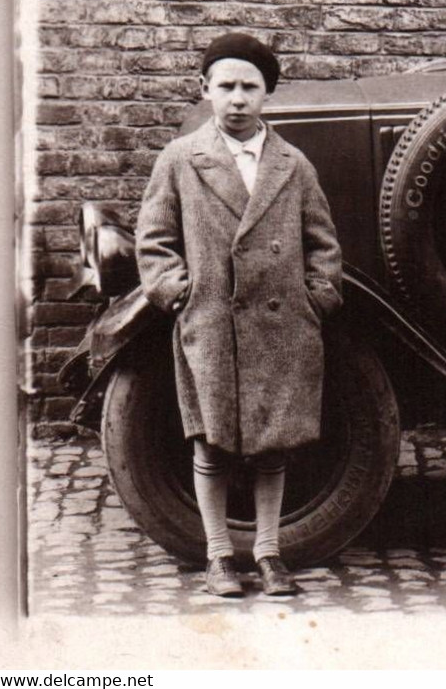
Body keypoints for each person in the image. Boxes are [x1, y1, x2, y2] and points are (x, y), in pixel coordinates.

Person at [136, 33, 344, 597]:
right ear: (204, 90)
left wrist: (316, 298)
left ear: (267, 95)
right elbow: (155, 239)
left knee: (273, 444)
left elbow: (322, 242)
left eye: (249, 87)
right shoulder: (181, 159)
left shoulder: (292, 165)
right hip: (212, 323)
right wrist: (177, 292)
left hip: (280, 328)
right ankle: (220, 554)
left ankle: (271, 553)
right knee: (212, 441)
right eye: (225, 86)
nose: (236, 99)